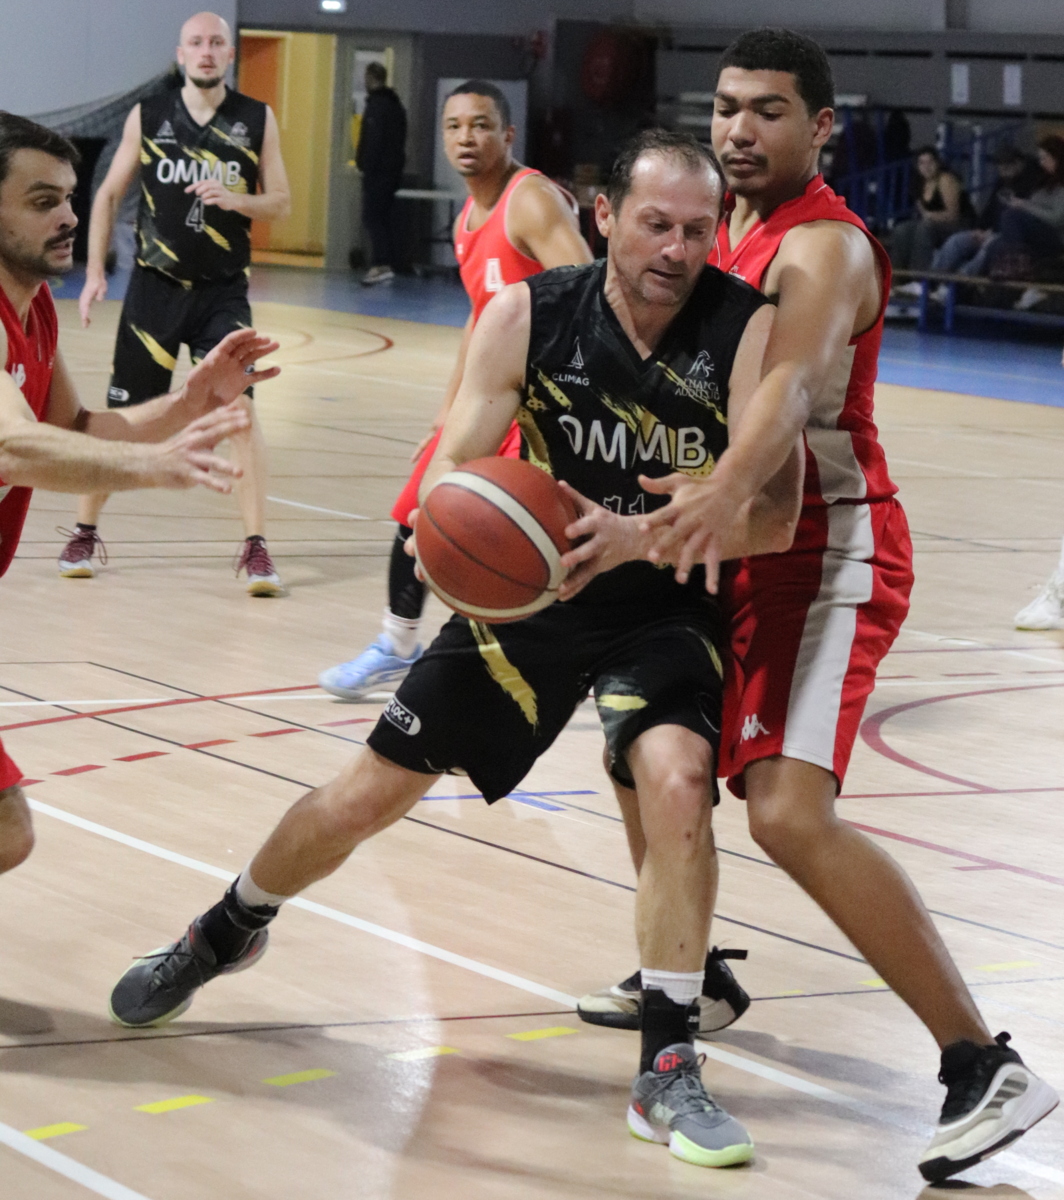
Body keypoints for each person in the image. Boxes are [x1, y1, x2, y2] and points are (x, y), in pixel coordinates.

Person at [108, 129, 805, 1170]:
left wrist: (635, 537)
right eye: (655, 223)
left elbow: (777, 518)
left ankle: (668, 1065)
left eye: (697, 230)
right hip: (536, 601)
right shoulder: (527, 314)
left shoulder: (743, 328)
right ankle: (226, 928)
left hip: (660, 605)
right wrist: (456, 544)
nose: (676, 248)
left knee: (677, 781)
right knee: (362, 796)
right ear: (603, 215)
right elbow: (453, 472)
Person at [580, 29, 1058, 1184]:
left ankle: (980, 1064)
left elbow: (788, 390)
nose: (738, 129)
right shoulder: (723, 231)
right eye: (725, 107)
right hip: (738, 545)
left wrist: (707, 500)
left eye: (768, 110)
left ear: (821, 126)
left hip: (824, 549)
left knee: (787, 815)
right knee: (647, 739)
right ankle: (692, 972)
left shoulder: (824, 246)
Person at [0, 111, 280, 878]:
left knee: (7, 830)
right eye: (42, 202)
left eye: (69, 197)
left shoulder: (34, 311)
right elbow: (11, 446)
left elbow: (78, 429)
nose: (68, 217)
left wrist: (191, 401)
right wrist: (153, 467)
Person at [319, 80, 592, 700]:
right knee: (417, 509)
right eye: (454, 126)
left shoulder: (530, 201)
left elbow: (588, 293)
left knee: (524, 539)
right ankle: (396, 643)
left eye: (481, 125)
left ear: (508, 134)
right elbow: (479, 319)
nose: (467, 137)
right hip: (493, 400)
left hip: (544, 405)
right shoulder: (468, 218)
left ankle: (559, 662)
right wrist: (446, 413)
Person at [59, 11, 292, 595]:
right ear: (181, 54)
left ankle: (256, 548)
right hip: (154, 290)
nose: (206, 51)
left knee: (240, 412)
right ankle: (84, 531)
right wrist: (93, 272)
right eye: (196, 42)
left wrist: (238, 200)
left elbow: (281, 202)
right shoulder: (150, 115)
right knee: (120, 419)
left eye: (216, 42)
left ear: (230, 54)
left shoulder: (256, 118)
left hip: (222, 293)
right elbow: (107, 194)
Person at [929, 144, 1042, 290]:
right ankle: (931, 282)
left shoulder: (1033, 184)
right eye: (1000, 168)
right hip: (989, 231)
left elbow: (1019, 217)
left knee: (987, 249)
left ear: (1018, 163)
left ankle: (956, 287)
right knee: (956, 241)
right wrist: (979, 229)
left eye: (1006, 168)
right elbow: (989, 208)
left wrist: (991, 233)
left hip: (1007, 235)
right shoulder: (1002, 181)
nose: (1003, 173)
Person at [988, 136, 1064, 312]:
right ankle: (963, 287)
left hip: (1055, 236)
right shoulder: (1044, 181)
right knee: (994, 245)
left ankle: (1019, 270)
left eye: (1045, 158)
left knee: (1012, 215)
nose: (1041, 162)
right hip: (1037, 234)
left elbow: (1057, 218)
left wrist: (1024, 205)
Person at [357, 62, 407, 287]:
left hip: (379, 174)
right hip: (392, 172)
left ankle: (381, 264)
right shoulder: (396, 106)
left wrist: (366, 166)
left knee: (372, 217)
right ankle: (386, 262)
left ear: (370, 78)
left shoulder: (377, 107)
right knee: (383, 218)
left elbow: (373, 142)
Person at [891, 145, 972, 280]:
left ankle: (919, 280)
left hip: (959, 224)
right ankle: (896, 279)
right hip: (934, 224)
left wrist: (930, 216)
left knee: (925, 227)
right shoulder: (919, 183)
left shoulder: (945, 179)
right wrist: (928, 217)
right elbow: (923, 213)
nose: (926, 167)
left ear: (938, 163)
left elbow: (953, 215)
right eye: (922, 163)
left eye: (930, 162)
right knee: (902, 229)